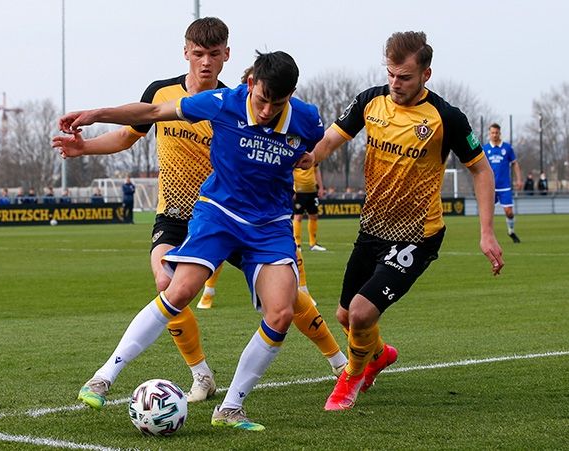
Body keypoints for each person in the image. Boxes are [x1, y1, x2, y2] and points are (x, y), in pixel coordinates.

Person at [52, 21, 345, 410]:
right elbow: (140, 124)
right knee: (170, 285)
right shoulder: (205, 101)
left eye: (214, 53)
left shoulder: (292, 113)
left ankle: (338, 364)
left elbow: (316, 143)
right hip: (193, 212)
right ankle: (186, 374)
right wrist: (92, 124)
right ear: (186, 51)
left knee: (287, 302)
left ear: (227, 54)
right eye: (199, 53)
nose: (266, 110)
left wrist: (312, 157)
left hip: (264, 221)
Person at [310, 31, 504, 411]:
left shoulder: (446, 117)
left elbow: (481, 171)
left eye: (405, 77)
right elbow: (331, 140)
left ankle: (351, 378)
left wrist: (486, 232)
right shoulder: (370, 101)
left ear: (426, 75)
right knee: (347, 315)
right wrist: (307, 158)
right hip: (372, 229)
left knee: (363, 311)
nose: (395, 84)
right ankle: (378, 355)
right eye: (391, 75)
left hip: (418, 235)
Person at [483, 123, 523, 243]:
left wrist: (519, 179)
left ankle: (511, 230)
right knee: (488, 214)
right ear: (489, 134)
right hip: (490, 186)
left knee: (509, 212)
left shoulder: (507, 148)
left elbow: (515, 163)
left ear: (500, 133)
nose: (494, 135)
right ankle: (488, 236)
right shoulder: (485, 149)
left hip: (504, 186)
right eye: (492, 133)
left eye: (496, 133)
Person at [293, 165, 326, 251]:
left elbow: (317, 171)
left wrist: (321, 187)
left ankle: (313, 243)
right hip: (299, 191)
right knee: (298, 216)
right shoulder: (297, 155)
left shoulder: (313, 157)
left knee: (314, 215)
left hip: (312, 190)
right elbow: (290, 171)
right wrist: (292, 188)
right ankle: (297, 244)